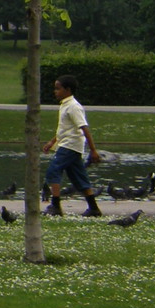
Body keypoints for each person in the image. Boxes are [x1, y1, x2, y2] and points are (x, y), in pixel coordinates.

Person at [43, 75, 103, 217]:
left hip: (70, 146)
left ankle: (55, 205)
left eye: (58, 89)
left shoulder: (74, 107)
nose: (55, 92)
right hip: (68, 145)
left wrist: (93, 150)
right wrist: (52, 142)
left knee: (53, 171)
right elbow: (66, 129)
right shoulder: (65, 105)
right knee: (78, 177)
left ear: (67, 90)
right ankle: (94, 208)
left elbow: (84, 128)